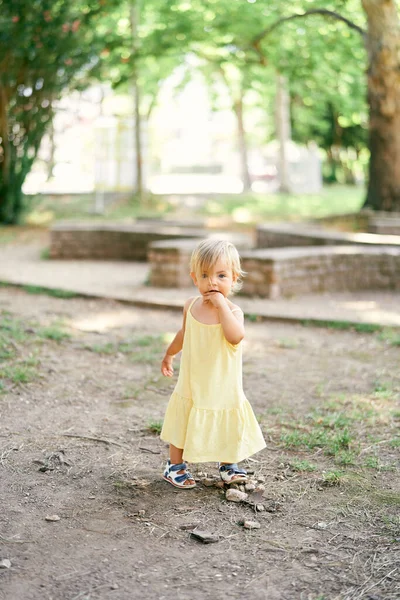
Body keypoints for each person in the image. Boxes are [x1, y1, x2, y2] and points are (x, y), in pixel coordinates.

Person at [159, 238, 266, 489]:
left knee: (228, 420)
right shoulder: (191, 305)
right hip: (193, 381)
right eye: (205, 275)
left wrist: (220, 306)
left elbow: (235, 336)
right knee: (183, 421)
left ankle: (228, 464)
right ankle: (174, 467)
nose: (212, 282)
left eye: (220, 275)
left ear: (234, 278)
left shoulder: (233, 312)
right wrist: (169, 353)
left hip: (222, 383)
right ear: (194, 278)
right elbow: (184, 334)